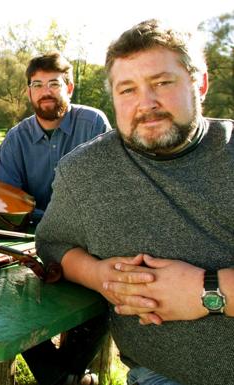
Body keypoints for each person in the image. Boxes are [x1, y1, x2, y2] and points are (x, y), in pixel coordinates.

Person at [36, 19, 234, 385]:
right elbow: (53, 243)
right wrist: (97, 275)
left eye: (161, 83)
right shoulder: (84, 171)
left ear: (200, 84)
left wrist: (211, 290)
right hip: (157, 373)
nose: (147, 103)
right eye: (127, 90)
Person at [0, 51, 111, 225]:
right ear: (29, 92)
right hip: (33, 230)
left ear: (69, 88)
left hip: (90, 228)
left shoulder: (94, 124)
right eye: (37, 85)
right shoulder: (15, 139)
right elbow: (9, 201)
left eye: (54, 84)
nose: (45, 92)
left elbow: (109, 188)